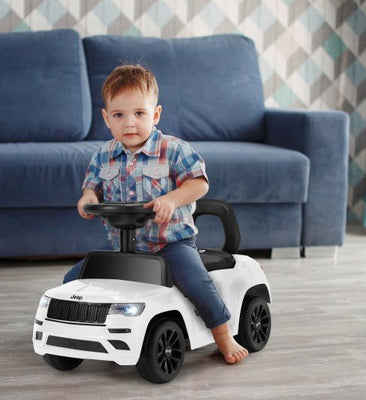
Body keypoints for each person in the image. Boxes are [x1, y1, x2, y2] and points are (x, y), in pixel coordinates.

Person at [63, 64, 248, 364]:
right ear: (106, 118)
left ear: (156, 114)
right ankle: (77, 334)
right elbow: (91, 188)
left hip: (170, 246)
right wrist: (87, 199)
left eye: (139, 113)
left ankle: (224, 336)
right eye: (119, 115)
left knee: (195, 281)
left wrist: (173, 199)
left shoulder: (173, 150)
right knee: (73, 280)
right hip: (124, 250)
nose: (130, 123)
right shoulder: (103, 155)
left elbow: (198, 184)